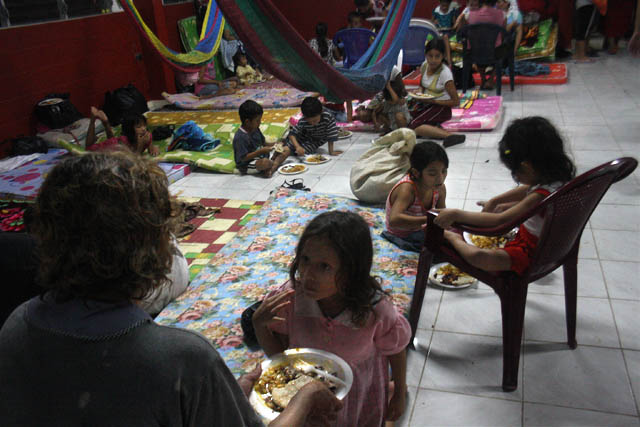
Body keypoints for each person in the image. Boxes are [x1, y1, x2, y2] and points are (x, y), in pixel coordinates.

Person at [0, 151, 342, 426]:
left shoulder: (17, 325)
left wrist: (228, 394)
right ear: (155, 251)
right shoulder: (183, 360)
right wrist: (307, 395)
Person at [253, 210, 411, 426]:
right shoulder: (290, 301)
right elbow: (282, 359)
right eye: (305, 259)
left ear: (351, 271)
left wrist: (400, 393)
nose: (307, 275)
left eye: (324, 267)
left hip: (360, 392)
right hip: (307, 394)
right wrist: (260, 326)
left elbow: (395, 350)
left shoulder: (375, 310)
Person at [433, 116, 576, 275]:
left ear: (527, 167)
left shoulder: (540, 196)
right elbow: (528, 191)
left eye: (515, 172)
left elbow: (500, 220)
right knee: (501, 211)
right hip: (557, 245)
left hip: (533, 252)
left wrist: (457, 214)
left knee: (478, 257)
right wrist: (496, 201)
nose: (517, 178)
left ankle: (454, 239)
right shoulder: (558, 179)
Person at [382, 141, 449, 252]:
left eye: (444, 171)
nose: (440, 178)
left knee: (454, 234)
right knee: (439, 246)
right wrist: (429, 220)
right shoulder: (408, 189)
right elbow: (394, 220)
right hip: (403, 234)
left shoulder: (440, 188)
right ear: (416, 173)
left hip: (422, 229)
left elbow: (440, 213)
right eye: (432, 174)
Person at [410, 38, 466, 148]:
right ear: (426, 55)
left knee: (414, 126)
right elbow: (422, 85)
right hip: (426, 104)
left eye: (437, 56)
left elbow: (455, 102)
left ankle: (449, 136)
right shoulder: (424, 66)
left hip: (441, 108)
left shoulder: (445, 74)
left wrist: (434, 101)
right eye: (430, 56)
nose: (433, 60)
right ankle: (433, 128)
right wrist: (419, 92)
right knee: (406, 118)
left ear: (443, 56)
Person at [276, 97, 342, 165]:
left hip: (316, 141)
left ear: (321, 112)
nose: (313, 123)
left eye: (315, 120)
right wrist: (297, 146)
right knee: (289, 146)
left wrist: (331, 152)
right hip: (302, 137)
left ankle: (287, 148)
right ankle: (283, 145)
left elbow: (331, 135)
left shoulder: (328, 117)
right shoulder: (303, 120)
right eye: (310, 121)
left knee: (305, 151)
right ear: (304, 116)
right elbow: (293, 134)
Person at [86, 107, 159, 156]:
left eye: (144, 125)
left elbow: (151, 148)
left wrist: (153, 148)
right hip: (105, 150)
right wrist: (140, 145)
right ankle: (93, 119)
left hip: (114, 147)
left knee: (112, 142)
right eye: (139, 127)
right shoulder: (125, 141)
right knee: (88, 149)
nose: (143, 129)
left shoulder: (147, 136)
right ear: (130, 129)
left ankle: (106, 123)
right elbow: (133, 161)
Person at [467, 0, 507, 89]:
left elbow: (465, 32)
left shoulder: (471, 14)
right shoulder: (501, 14)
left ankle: (483, 79)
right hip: (494, 52)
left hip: (475, 53)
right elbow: (504, 33)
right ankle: (491, 79)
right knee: (505, 48)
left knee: (477, 49)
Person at [233, 100, 278, 178]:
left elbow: (263, 143)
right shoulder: (240, 137)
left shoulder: (255, 129)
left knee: (286, 150)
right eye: (257, 120)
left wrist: (275, 144)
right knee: (264, 163)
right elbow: (243, 158)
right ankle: (272, 165)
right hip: (248, 163)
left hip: (262, 156)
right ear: (247, 122)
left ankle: (270, 166)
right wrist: (260, 151)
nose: (260, 122)